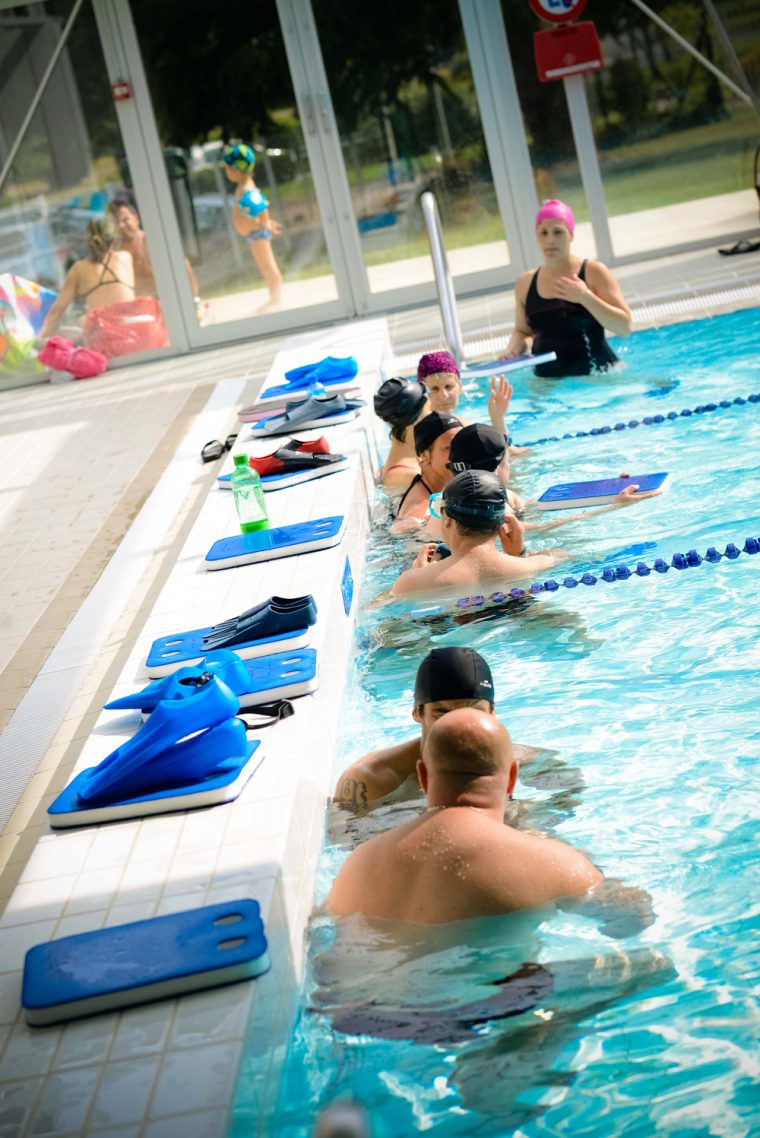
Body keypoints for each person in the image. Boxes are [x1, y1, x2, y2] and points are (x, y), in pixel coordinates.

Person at [328, 707, 601, 923]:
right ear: (512, 777)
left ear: (423, 777)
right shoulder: (553, 862)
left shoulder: (357, 866)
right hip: (497, 990)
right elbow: (633, 918)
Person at [335, 647, 503, 806]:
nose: (458, 724)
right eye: (442, 712)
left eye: (473, 711)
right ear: (417, 713)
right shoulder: (370, 780)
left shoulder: (513, 761)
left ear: (492, 713)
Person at [504, 199, 632, 378]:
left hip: (598, 377)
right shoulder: (525, 283)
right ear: (536, 236)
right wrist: (513, 350)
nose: (550, 240)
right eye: (543, 233)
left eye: (558, 232)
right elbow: (523, 331)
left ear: (571, 235)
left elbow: (624, 327)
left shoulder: (593, 272)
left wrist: (585, 297)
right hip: (548, 381)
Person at [392, 470, 561, 597]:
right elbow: (562, 556)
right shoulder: (538, 564)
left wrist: (420, 576)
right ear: (502, 520)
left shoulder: (409, 583)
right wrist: (519, 554)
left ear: (448, 519)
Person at [39, 217, 135, 341]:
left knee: (81, 321)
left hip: (104, 338)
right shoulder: (125, 258)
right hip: (131, 330)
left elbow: (58, 309)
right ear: (114, 238)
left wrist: (42, 336)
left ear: (87, 241)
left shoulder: (79, 269)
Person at [221, 142, 283, 314]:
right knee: (265, 267)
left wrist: (265, 226)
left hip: (258, 234)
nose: (226, 172)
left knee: (268, 266)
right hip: (255, 233)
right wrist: (267, 224)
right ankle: (273, 298)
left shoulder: (247, 189)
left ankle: (276, 300)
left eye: (227, 168)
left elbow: (262, 209)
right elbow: (257, 211)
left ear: (236, 169)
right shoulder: (243, 188)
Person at [110, 198, 200, 302]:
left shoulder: (155, 241)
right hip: (139, 309)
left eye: (125, 220)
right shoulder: (116, 253)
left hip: (168, 302)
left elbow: (185, 269)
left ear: (136, 218)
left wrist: (194, 299)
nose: (121, 226)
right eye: (117, 222)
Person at [417, 350, 514, 437]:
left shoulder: (461, 424)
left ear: (460, 387)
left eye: (448, 387)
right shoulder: (420, 432)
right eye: (435, 389)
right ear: (422, 392)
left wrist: (497, 419)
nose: (444, 396)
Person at [391, 410, 462, 526]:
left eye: (461, 445)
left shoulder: (436, 490)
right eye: (448, 448)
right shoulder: (421, 514)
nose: (460, 454)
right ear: (425, 455)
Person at [373, 376, 430, 494]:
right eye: (429, 416)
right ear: (413, 423)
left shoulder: (415, 462)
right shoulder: (405, 476)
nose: (435, 421)